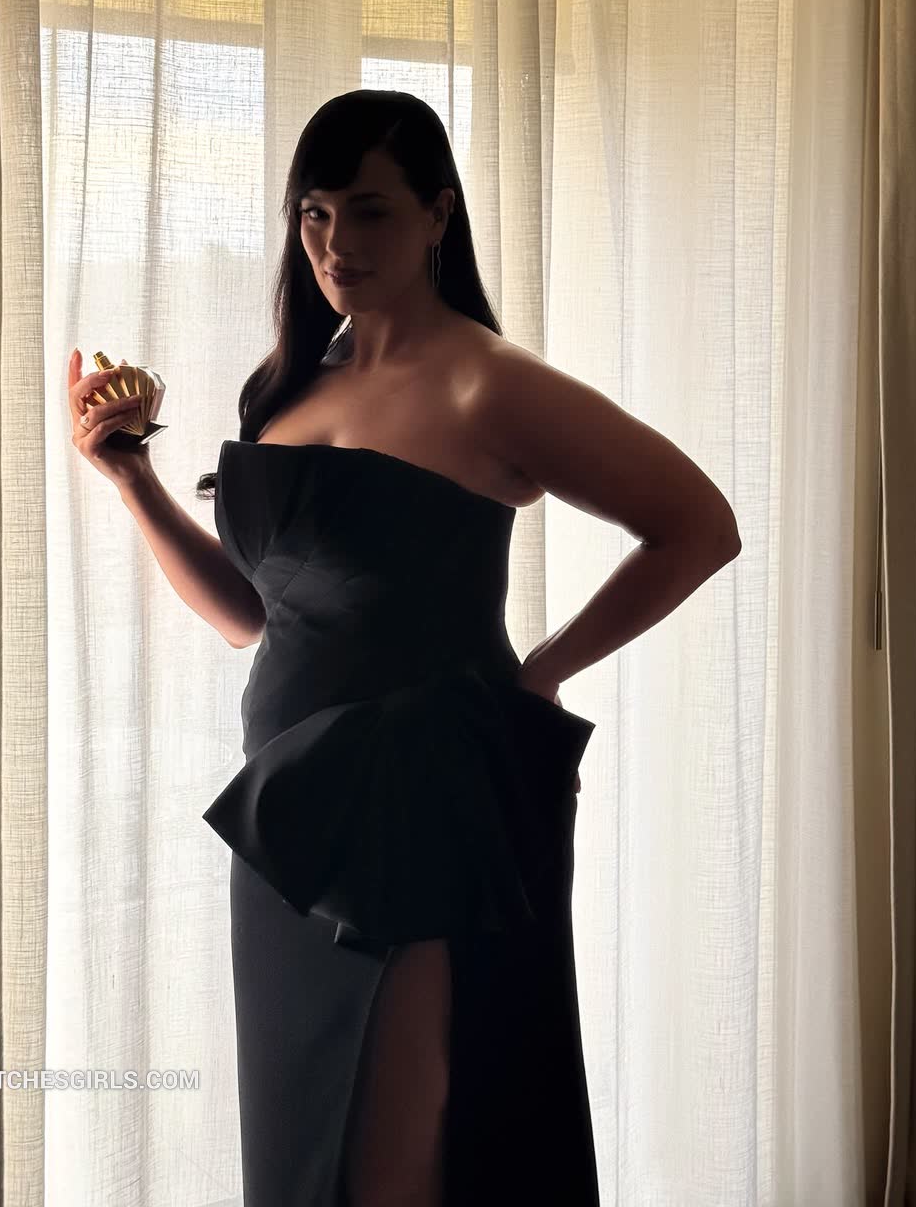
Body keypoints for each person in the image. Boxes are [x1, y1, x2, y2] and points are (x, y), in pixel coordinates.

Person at [67, 89, 741, 1206]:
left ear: (437, 215)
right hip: (288, 812)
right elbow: (250, 616)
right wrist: (131, 476)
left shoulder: (488, 381)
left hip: (427, 797)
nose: (336, 243)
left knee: (405, 1146)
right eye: (315, 213)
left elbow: (699, 527)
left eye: (369, 211)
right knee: (303, 1145)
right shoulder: (289, 387)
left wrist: (539, 674)